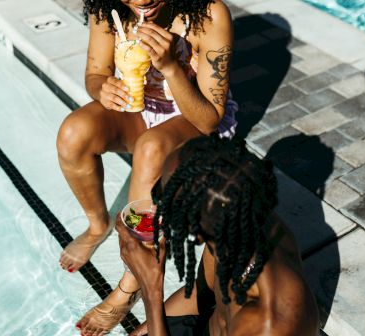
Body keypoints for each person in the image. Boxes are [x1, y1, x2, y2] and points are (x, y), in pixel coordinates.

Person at [56, 0, 238, 333]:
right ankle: (98, 225)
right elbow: (95, 74)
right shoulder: (107, 9)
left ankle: (130, 287)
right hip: (140, 112)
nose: (140, 0)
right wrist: (103, 89)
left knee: (150, 147)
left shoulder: (209, 15)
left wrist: (170, 66)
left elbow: (209, 119)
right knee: (73, 133)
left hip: (192, 121)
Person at [115, 135, 320, 336]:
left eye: (162, 196)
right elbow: (198, 296)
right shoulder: (231, 224)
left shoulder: (270, 324)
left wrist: (151, 289)